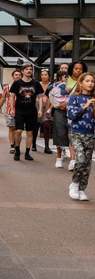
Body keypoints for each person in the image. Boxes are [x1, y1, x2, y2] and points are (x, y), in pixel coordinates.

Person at [67, 72, 95, 200]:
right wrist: (85, 106)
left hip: (90, 134)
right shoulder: (75, 98)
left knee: (87, 164)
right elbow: (71, 115)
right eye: (87, 81)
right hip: (77, 132)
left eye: (92, 81)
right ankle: (74, 184)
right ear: (81, 83)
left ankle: (82, 189)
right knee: (81, 159)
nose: (90, 83)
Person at [8, 63, 43, 161]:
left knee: (30, 132)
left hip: (32, 110)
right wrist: (12, 109)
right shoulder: (17, 83)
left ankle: (27, 152)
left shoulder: (36, 83)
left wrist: (40, 109)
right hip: (20, 110)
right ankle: (17, 150)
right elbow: (12, 96)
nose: (29, 71)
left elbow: (40, 97)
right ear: (22, 71)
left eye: (30, 69)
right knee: (18, 130)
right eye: (27, 69)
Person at [65, 62, 88, 170]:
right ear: (72, 69)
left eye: (80, 69)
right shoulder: (66, 80)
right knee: (72, 136)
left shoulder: (87, 83)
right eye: (76, 68)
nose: (78, 71)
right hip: (70, 111)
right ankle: (73, 159)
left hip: (86, 116)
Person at [48, 70, 71, 168]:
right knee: (59, 133)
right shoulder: (58, 85)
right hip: (60, 110)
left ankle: (73, 160)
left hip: (72, 110)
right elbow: (51, 95)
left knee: (72, 135)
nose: (66, 78)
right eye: (64, 76)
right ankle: (59, 157)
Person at [3, 70, 22, 154]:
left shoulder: (24, 87)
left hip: (21, 110)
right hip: (10, 110)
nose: (17, 76)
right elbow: (3, 98)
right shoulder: (7, 87)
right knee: (11, 128)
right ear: (13, 76)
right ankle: (12, 146)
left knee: (18, 130)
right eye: (16, 75)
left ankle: (17, 145)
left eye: (19, 75)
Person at [37, 69, 53, 154]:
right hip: (37, 105)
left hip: (48, 106)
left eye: (45, 75)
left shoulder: (51, 86)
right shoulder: (37, 84)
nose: (44, 76)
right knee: (36, 125)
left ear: (49, 76)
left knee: (47, 125)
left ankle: (46, 145)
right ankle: (33, 144)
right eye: (42, 75)